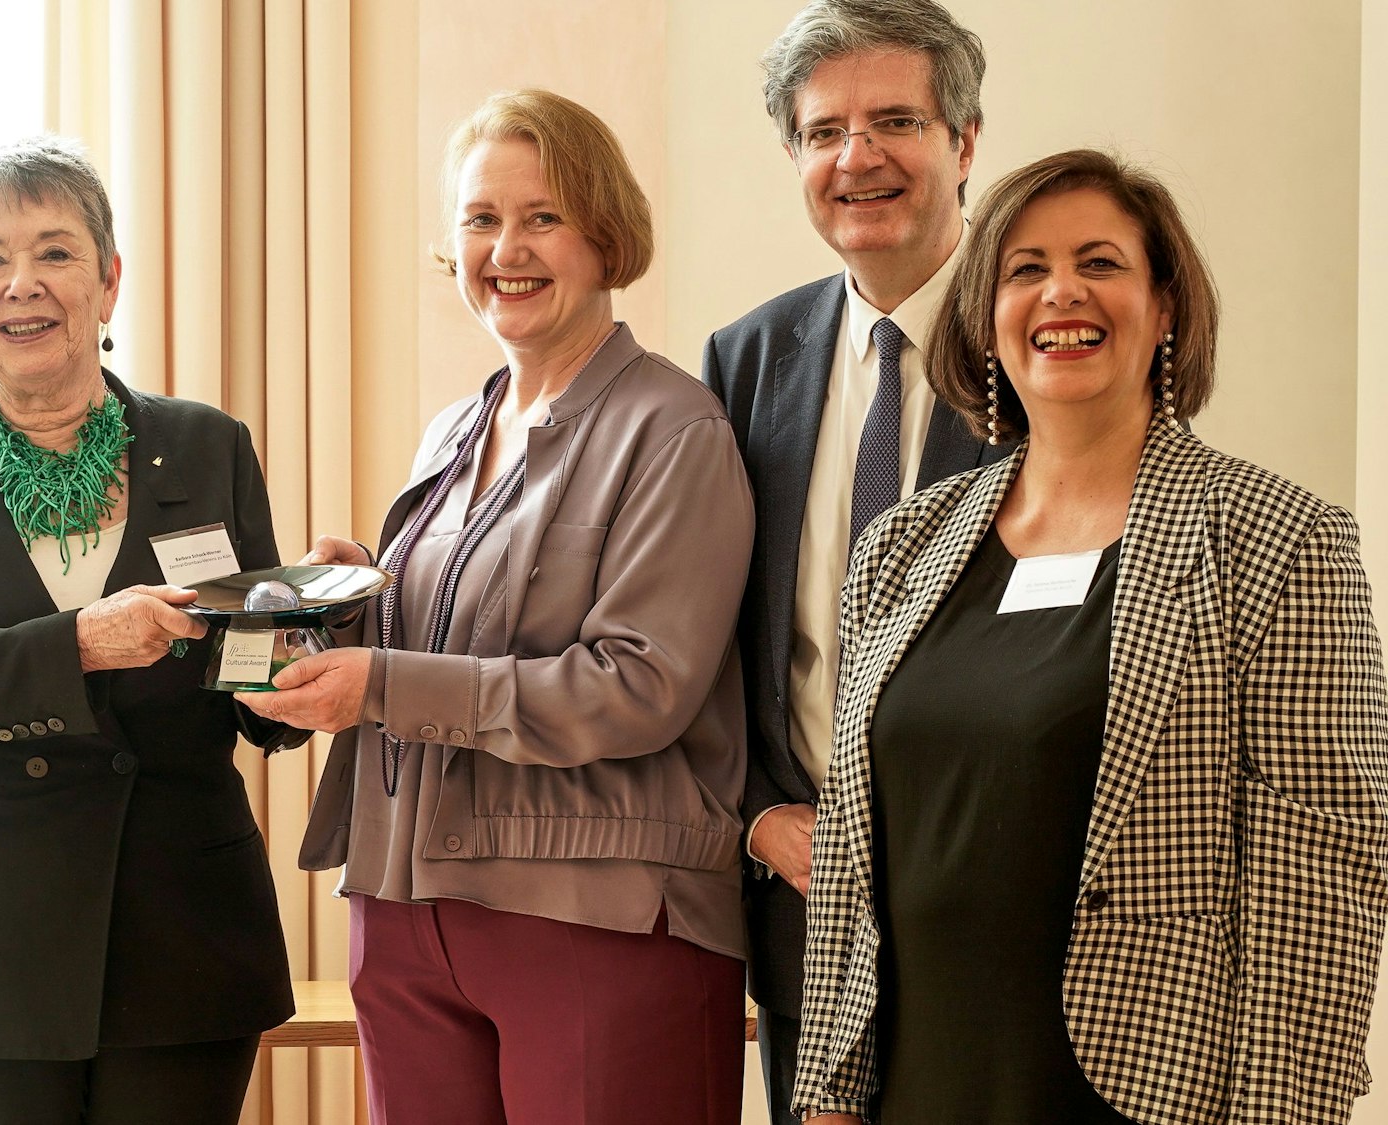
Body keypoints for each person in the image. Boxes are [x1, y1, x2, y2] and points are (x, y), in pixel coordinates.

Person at [793, 148, 1388, 1124]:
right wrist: (823, 1097)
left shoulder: (1278, 545)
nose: (1059, 290)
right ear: (987, 317)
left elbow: (1316, 901)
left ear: (1163, 309)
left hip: (1147, 1097)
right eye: (1023, 269)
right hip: (917, 1085)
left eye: (1099, 263)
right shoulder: (897, 548)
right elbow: (852, 865)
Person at [241, 89, 754, 1125]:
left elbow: (637, 686)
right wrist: (353, 601)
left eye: (541, 217)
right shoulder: (453, 430)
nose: (504, 248)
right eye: (479, 220)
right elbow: (467, 643)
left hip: (595, 918)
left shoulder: (673, 431)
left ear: (605, 236)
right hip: (403, 906)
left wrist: (380, 680)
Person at [0, 134, 298, 1125]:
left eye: (54, 251)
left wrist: (304, 638)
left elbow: (252, 680)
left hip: (178, 933)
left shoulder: (206, 445)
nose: (21, 283)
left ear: (108, 281)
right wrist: (74, 644)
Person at [697, 4, 1002, 1120]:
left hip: (1000, 911)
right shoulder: (744, 359)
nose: (854, 157)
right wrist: (753, 817)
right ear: (793, 156)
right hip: (804, 897)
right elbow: (712, 636)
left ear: (962, 143)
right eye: (823, 131)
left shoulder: (1047, 340)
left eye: (892, 121)